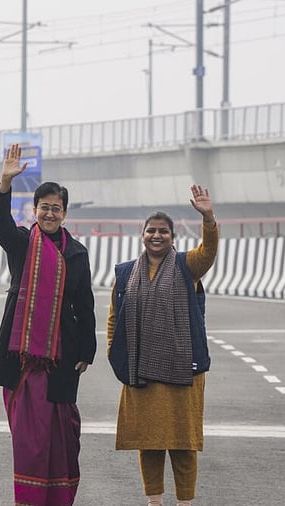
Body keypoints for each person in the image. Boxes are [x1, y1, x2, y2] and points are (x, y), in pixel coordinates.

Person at [0, 143, 97, 506]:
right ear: (34, 211)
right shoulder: (21, 242)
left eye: (56, 208)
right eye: (44, 207)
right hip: (22, 363)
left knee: (64, 440)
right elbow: (0, 226)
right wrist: (5, 183)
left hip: (61, 360)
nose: (50, 213)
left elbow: (85, 305)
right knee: (29, 443)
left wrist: (87, 350)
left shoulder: (76, 253)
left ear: (64, 214)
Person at [106, 185, 218, 506]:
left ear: (173, 237)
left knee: (183, 444)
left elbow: (208, 251)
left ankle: (185, 503)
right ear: (142, 235)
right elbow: (115, 317)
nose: (157, 236)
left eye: (164, 231)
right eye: (151, 231)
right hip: (140, 369)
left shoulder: (188, 266)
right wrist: (115, 352)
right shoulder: (126, 273)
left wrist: (207, 217)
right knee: (149, 442)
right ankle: (154, 501)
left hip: (183, 370)